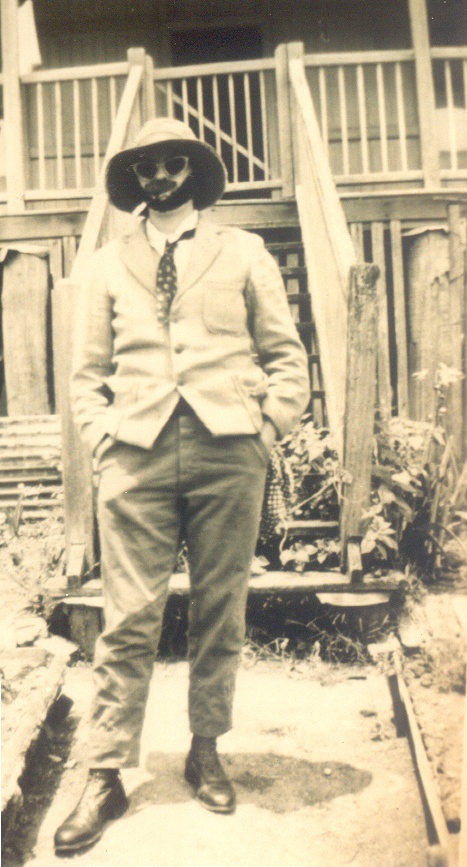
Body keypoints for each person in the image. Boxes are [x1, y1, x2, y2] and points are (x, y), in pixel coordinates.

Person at [54, 117, 310, 855]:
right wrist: (104, 441)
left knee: (218, 611)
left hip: (228, 450)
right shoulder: (106, 262)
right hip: (134, 455)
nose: (160, 177)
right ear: (133, 180)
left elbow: (286, 357)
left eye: (173, 164)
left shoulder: (245, 252)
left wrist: (266, 429)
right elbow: (85, 376)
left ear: (195, 172)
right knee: (126, 616)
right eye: (145, 168)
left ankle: (205, 749)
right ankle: (104, 771)